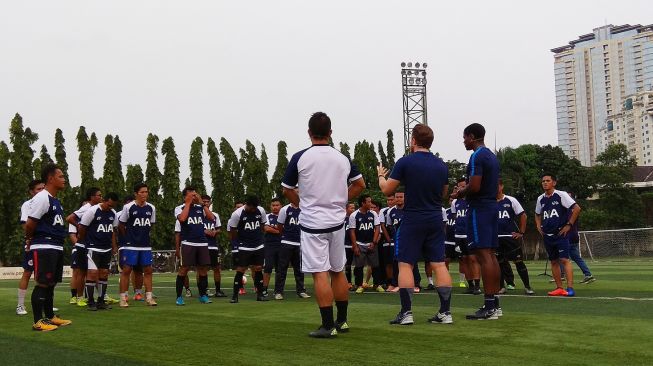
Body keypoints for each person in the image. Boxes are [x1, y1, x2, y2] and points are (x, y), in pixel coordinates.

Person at [282, 111, 365, 338]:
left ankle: (328, 326)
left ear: (309, 133)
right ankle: (342, 321)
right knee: (338, 271)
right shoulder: (342, 157)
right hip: (337, 222)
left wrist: (301, 204)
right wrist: (342, 200)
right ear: (330, 132)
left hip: (312, 224)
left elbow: (287, 188)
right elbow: (360, 184)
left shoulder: (300, 157)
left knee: (320, 273)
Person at [378, 123, 453, 325]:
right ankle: (445, 312)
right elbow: (444, 193)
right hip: (435, 216)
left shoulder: (406, 162)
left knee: (405, 264)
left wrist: (380, 176)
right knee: (438, 263)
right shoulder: (441, 165)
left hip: (413, 218)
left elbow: (387, 190)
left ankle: (406, 313)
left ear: (413, 140)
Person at [453, 123, 502, 320]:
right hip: (491, 207)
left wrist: (460, 193)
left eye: (465, 137)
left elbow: (474, 185)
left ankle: (489, 306)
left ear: (472, 136)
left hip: (479, 208)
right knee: (490, 254)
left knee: (483, 256)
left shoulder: (477, 155)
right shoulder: (491, 155)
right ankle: (495, 304)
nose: (463, 141)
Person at [25, 163, 72, 331]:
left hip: (56, 246)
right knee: (43, 283)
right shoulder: (42, 197)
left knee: (51, 283)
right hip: (44, 246)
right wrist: (30, 239)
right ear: (51, 179)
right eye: (60, 176)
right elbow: (30, 224)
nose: (64, 179)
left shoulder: (55, 200)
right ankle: (38, 321)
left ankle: (50, 317)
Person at [535, 174, 581, 297]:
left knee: (565, 260)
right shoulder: (541, 199)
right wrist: (538, 226)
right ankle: (559, 287)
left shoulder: (561, 195)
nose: (545, 183)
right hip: (548, 236)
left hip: (560, 234)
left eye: (548, 181)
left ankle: (570, 288)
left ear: (554, 183)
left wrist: (569, 225)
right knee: (553, 261)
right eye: (543, 181)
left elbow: (576, 208)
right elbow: (537, 214)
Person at [78, 193, 120, 311]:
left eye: (113, 206)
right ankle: (90, 302)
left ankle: (101, 301)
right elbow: (82, 226)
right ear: (104, 201)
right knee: (92, 273)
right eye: (109, 205)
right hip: (93, 247)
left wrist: (114, 246)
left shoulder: (113, 213)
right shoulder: (92, 211)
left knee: (104, 274)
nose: (110, 207)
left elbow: (112, 231)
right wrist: (84, 239)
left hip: (106, 248)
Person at [118, 183, 157, 307]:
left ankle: (149, 297)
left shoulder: (151, 208)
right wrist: (129, 238)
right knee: (127, 270)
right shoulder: (128, 207)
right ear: (136, 193)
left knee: (148, 269)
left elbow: (151, 224)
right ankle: (123, 298)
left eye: (146, 192)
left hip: (145, 245)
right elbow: (121, 225)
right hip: (131, 245)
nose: (145, 194)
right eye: (142, 192)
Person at [174, 187, 214, 305]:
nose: (194, 197)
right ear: (185, 196)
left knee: (203, 270)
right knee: (184, 269)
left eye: (195, 194)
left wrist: (203, 204)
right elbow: (182, 218)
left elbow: (211, 218)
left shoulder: (200, 208)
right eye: (191, 195)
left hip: (202, 242)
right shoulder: (179, 208)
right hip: (188, 243)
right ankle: (179, 297)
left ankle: (203, 295)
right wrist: (188, 203)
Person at [496, 179, 534, 295]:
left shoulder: (511, 200)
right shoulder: (488, 202)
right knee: (499, 263)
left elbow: (523, 215)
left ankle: (527, 287)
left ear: (501, 186)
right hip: (495, 238)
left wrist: (521, 232)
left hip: (510, 237)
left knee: (518, 261)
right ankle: (501, 287)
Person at [228, 195, 269, 303]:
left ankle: (260, 295)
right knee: (241, 269)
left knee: (258, 268)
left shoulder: (260, 210)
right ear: (247, 204)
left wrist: (260, 238)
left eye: (255, 207)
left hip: (258, 245)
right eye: (252, 207)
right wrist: (238, 241)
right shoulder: (237, 214)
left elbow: (262, 225)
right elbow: (232, 230)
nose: (253, 209)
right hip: (244, 246)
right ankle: (235, 295)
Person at [67, 187, 103, 307]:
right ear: (92, 197)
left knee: (94, 272)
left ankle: (96, 296)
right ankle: (79, 297)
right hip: (82, 245)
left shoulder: (98, 209)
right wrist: (80, 226)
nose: (101, 197)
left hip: (92, 245)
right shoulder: (86, 208)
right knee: (81, 272)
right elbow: (69, 218)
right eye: (99, 195)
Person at [16, 179, 45, 316]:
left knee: (44, 275)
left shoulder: (48, 202)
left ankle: (44, 303)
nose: (41, 191)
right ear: (31, 192)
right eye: (38, 189)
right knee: (28, 273)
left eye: (42, 188)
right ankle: (20, 305)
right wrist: (29, 239)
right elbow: (25, 224)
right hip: (33, 243)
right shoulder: (28, 204)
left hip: (46, 243)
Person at [275, 197, 310, 299]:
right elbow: (280, 226)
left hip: (300, 243)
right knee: (282, 268)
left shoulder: (304, 209)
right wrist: (286, 236)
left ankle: (301, 291)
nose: (297, 194)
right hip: (286, 242)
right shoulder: (285, 209)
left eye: (299, 192)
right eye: (295, 192)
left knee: (299, 269)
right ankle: (278, 292)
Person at [451, 179, 481, 295]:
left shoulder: (473, 200)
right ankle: (471, 285)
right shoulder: (455, 202)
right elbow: (455, 217)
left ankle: (477, 285)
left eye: (464, 186)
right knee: (464, 260)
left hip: (470, 234)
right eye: (459, 187)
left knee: (473, 259)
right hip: (459, 235)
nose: (461, 188)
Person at [350, 194, 383, 294]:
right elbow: (352, 231)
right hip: (360, 244)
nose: (370, 203)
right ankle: (359, 285)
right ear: (363, 203)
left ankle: (377, 284)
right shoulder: (354, 215)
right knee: (359, 266)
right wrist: (355, 245)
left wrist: (374, 242)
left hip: (371, 243)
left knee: (375, 266)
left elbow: (377, 228)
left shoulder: (373, 214)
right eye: (368, 202)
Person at [202, 194, 226, 297]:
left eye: (208, 202)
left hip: (213, 246)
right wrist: (204, 231)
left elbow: (219, 229)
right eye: (204, 202)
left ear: (210, 203)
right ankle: (203, 290)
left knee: (216, 268)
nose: (206, 204)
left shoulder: (215, 215)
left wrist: (215, 232)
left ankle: (218, 290)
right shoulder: (198, 214)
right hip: (202, 245)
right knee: (202, 269)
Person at [384, 191, 405, 293]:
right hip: (397, 240)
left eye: (401, 197)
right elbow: (389, 226)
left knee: (411, 261)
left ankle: (415, 284)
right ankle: (395, 283)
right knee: (396, 262)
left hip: (410, 240)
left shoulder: (410, 209)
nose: (399, 199)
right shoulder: (390, 211)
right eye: (397, 197)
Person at [263, 198, 283, 297]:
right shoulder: (267, 216)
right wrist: (279, 230)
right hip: (270, 245)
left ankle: (277, 291)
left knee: (280, 269)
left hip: (281, 245)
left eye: (277, 205)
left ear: (281, 206)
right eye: (273, 205)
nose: (275, 207)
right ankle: (264, 290)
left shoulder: (284, 217)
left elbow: (286, 229)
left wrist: (273, 228)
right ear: (270, 206)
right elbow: (266, 228)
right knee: (268, 267)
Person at [379, 194, 397, 291]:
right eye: (388, 200)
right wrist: (388, 238)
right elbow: (383, 225)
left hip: (398, 239)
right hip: (387, 240)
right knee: (388, 262)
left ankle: (398, 281)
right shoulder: (383, 211)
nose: (389, 202)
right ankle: (389, 281)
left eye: (391, 200)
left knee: (398, 262)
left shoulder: (400, 209)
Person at [343, 202, 356, 290]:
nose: (353, 210)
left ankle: (356, 282)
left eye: (354, 208)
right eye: (351, 208)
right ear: (346, 209)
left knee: (355, 265)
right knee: (346, 265)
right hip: (344, 246)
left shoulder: (355, 218)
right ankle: (348, 282)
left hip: (354, 245)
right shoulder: (342, 219)